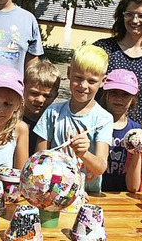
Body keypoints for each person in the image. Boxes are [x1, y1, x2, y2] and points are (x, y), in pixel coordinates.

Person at [34, 45, 113, 193]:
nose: (83, 85)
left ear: (103, 81)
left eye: (92, 81)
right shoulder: (53, 112)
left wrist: (85, 154)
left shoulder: (104, 119)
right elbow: (39, 160)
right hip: (53, 194)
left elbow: (100, 167)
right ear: (69, 73)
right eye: (78, 78)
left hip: (88, 194)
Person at [99, 69, 141, 192]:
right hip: (95, 188)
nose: (119, 98)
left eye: (125, 94)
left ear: (133, 98)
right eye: (114, 93)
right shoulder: (95, 123)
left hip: (122, 192)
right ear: (106, 94)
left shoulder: (136, 130)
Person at [22, 59, 61, 157]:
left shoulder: (56, 122)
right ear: (23, 89)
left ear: (55, 96)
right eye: (34, 93)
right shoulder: (12, 118)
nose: (40, 100)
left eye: (47, 96)